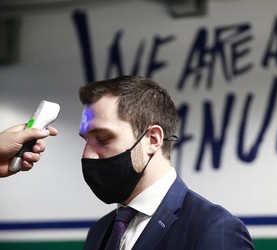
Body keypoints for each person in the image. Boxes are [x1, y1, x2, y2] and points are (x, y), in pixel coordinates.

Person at [79, 75, 255, 250]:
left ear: (153, 139)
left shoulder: (214, 229)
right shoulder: (99, 232)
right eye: (85, 140)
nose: (87, 155)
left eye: (103, 139)